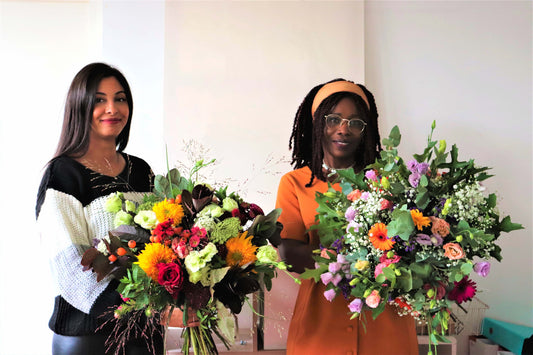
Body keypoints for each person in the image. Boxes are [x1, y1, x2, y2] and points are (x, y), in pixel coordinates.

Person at [275, 79, 419, 355]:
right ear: (317, 123)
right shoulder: (294, 183)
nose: (343, 129)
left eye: (355, 122)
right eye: (334, 119)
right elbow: (289, 253)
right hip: (320, 325)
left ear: (365, 131)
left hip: (386, 325)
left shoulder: (390, 181)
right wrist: (351, 260)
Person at [35, 62, 166, 355]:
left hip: (145, 334)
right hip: (88, 338)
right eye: (99, 100)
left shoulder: (141, 170)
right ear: (79, 106)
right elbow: (71, 270)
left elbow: (162, 243)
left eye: (120, 98)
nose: (112, 108)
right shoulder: (64, 174)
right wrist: (140, 307)